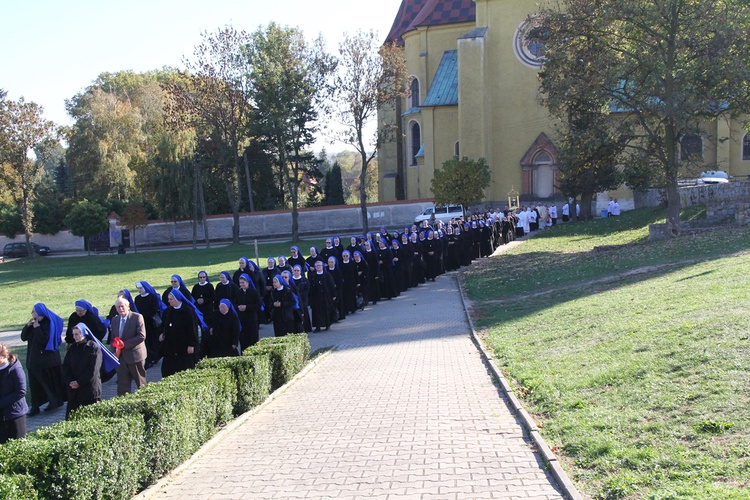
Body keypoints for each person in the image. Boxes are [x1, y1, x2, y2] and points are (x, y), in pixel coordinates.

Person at [21, 303, 65, 415]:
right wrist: (27, 326)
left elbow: (44, 341)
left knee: (48, 384)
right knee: (34, 385)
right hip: (33, 361)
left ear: (40, 313)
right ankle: (35, 407)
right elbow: (23, 337)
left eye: (33, 311)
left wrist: (38, 329)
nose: (32, 313)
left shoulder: (48, 323)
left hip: (46, 362)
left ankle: (53, 402)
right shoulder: (33, 323)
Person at [62, 323, 102, 419]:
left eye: (77, 334)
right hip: (74, 392)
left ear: (83, 334)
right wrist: (71, 382)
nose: (74, 337)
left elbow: (93, 370)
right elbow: (66, 367)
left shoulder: (93, 348)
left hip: (89, 392)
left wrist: (79, 382)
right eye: (73, 334)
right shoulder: (72, 348)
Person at [159, 290, 201, 378]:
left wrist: (192, 344)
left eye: (171, 299)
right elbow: (164, 325)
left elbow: (192, 329)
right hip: (171, 347)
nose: (169, 301)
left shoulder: (188, 311)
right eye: (168, 299)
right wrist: (162, 334)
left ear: (178, 299)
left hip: (184, 347)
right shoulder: (168, 311)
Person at [111, 297, 147, 396]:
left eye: (122, 306)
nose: (120, 309)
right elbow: (113, 339)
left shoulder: (137, 317)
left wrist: (124, 345)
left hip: (135, 357)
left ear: (128, 306)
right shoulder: (115, 320)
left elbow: (141, 336)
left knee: (141, 385)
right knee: (122, 387)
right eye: (118, 307)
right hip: (121, 359)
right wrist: (114, 352)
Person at [0, 343, 28, 443]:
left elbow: (21, 391)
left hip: (15, 414)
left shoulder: (15, 369)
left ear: (4, 356)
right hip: (2, 415)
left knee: (17, 444)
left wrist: (2, 402)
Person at [135, 281, 164, 370]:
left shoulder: (152, 297)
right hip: (141, 322)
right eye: (138, 289)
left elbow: (154, 309)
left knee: (152, 340)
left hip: (150, 323)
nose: (139, 290)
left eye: (140, 288)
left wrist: (144, 316)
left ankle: (153, 357)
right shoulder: (137, 298)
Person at [234, 273, 261, 351]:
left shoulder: (253, 292)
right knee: (243, 339)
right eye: (240, 283)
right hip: (242, 319)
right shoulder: (238, 292)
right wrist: (238, 307)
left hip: (252, 318)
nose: (241, 284)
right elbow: (234, 303)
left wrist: (247, 307)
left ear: (248, 282)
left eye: (243, 282)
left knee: (253, 338)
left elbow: (258, 305)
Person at [308, 260, 336, 332]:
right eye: (316, 266)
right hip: (316, 296)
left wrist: (333, 295)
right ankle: (318, 326)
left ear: (322, 266)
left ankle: (327, 325)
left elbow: (332, 285)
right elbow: (311, 287)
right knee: (317, 312)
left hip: (326, 296)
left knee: (326, 310)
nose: (318, 267)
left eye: (319, 266)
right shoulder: (313, 276)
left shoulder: (327, 275)